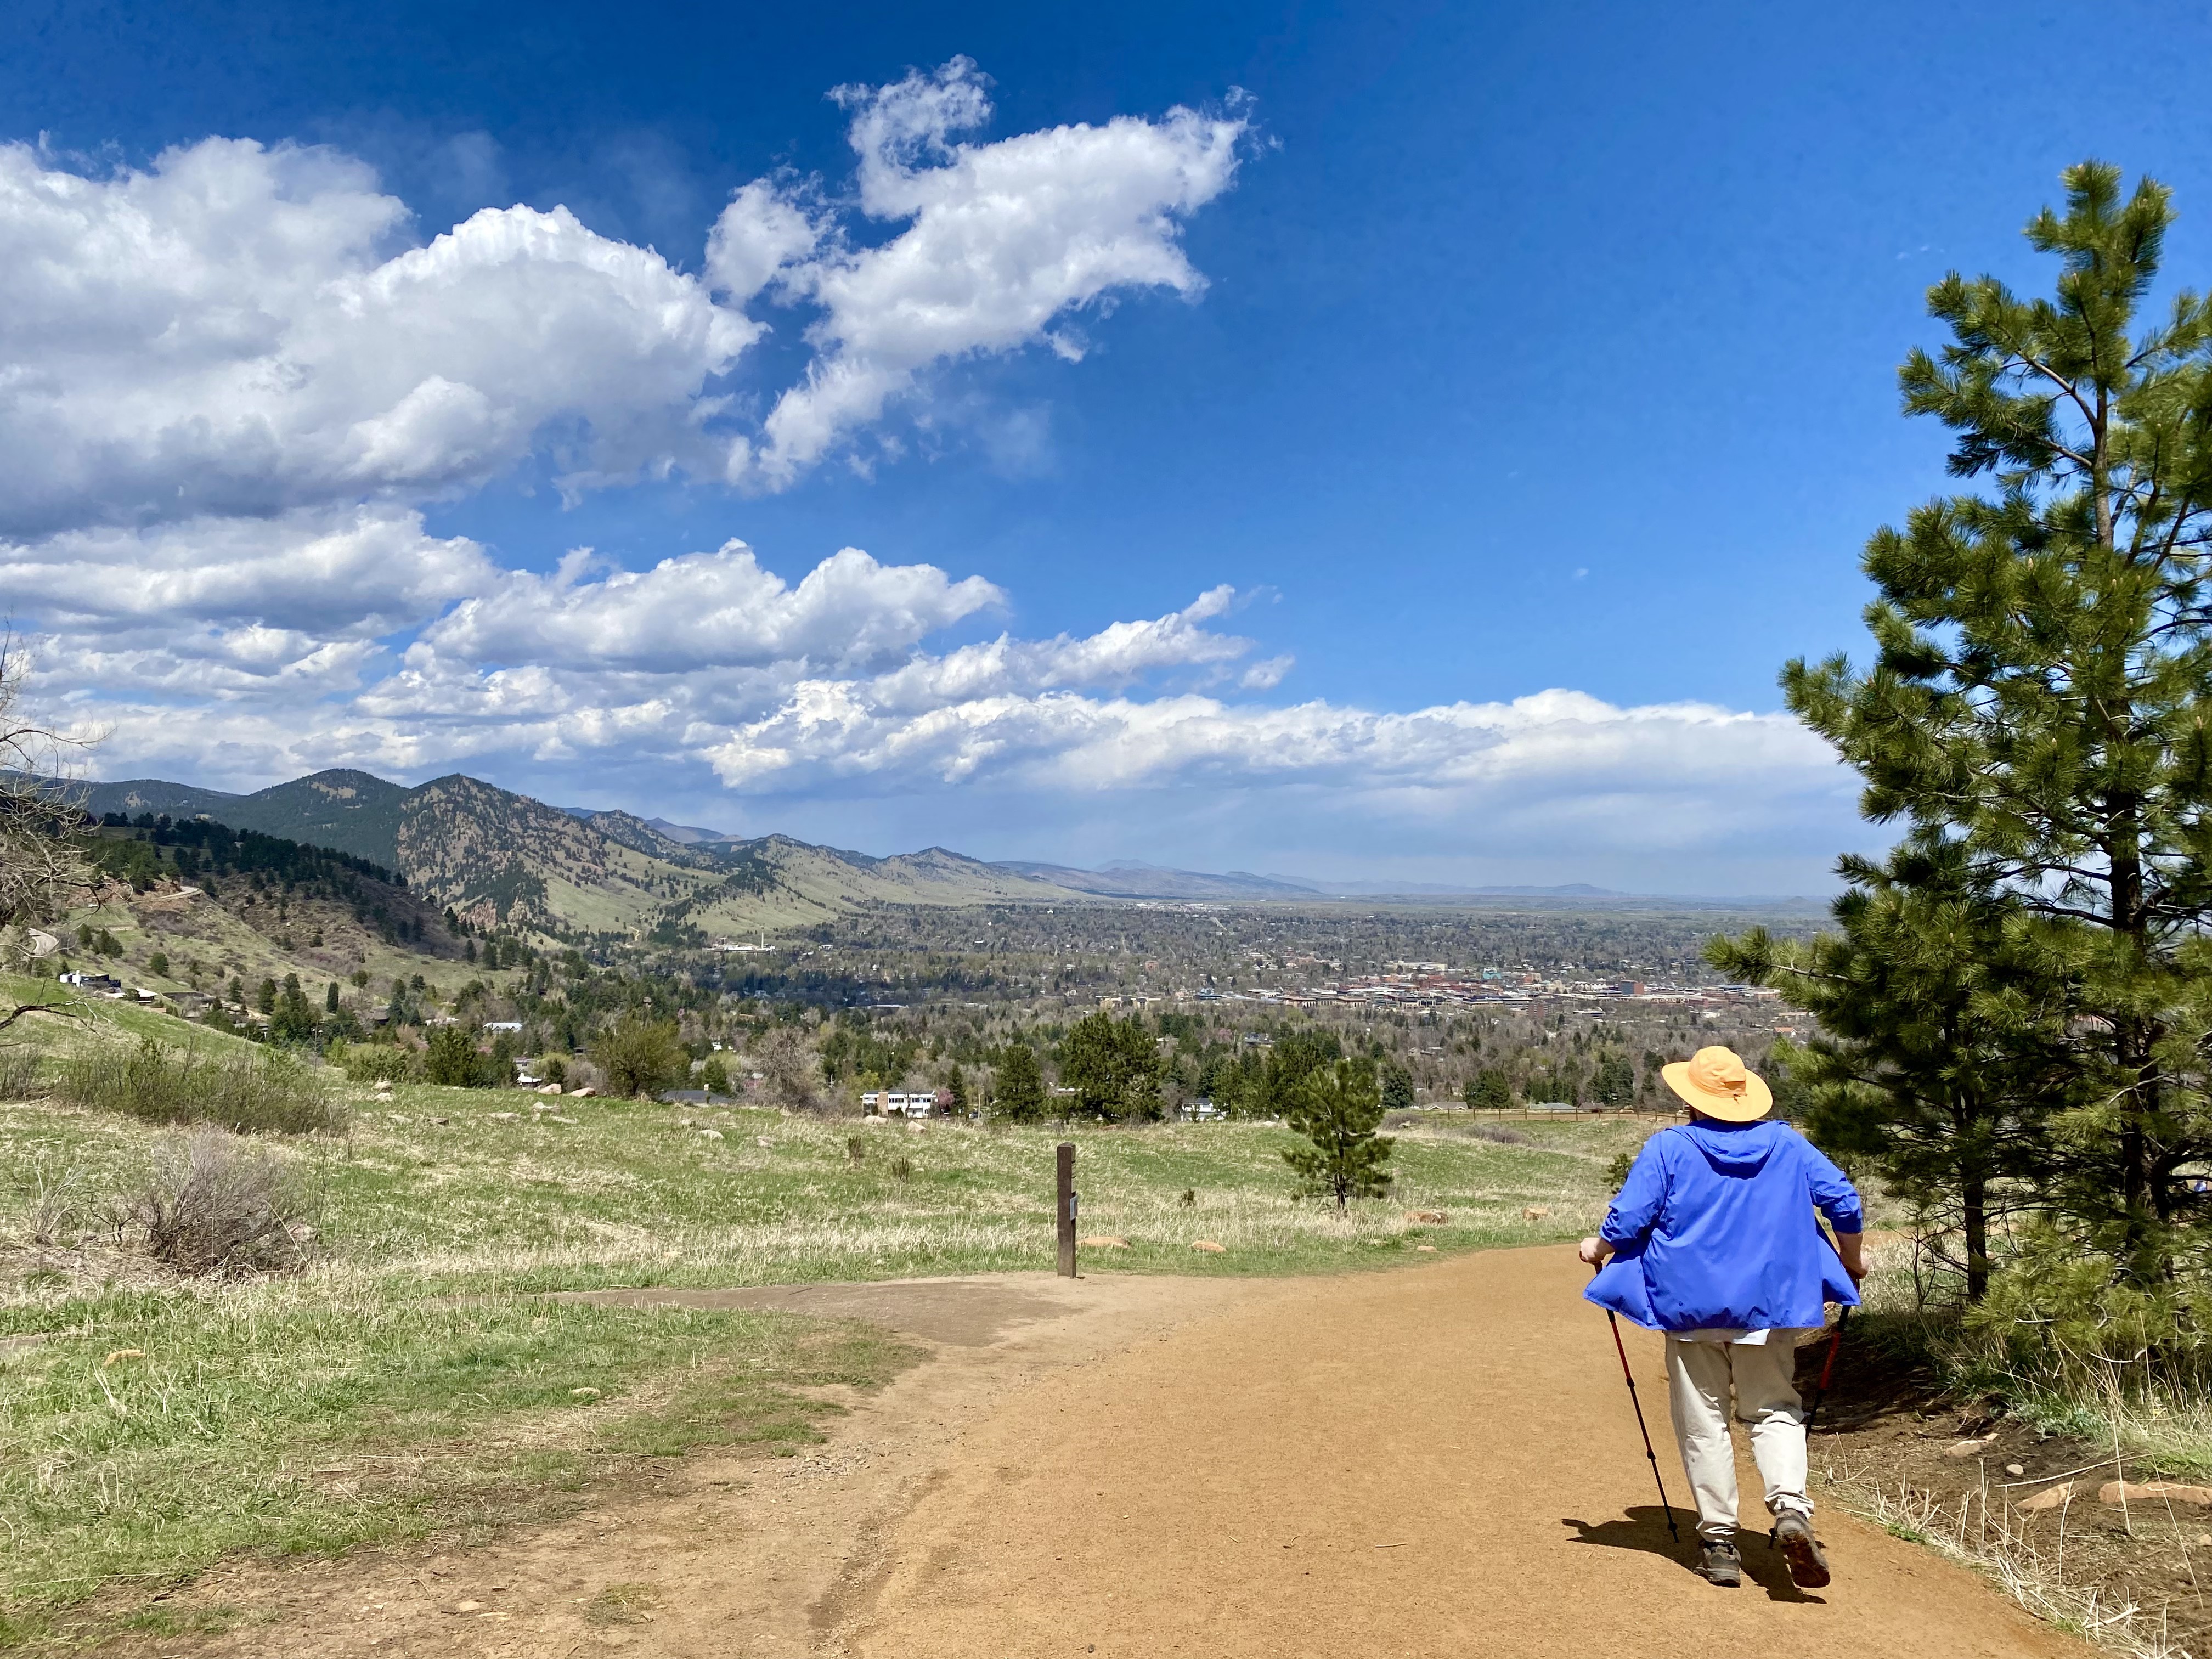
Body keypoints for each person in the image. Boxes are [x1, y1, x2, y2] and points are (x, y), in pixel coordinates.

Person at [1578, 1045, 1865, 1590]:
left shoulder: (1670, 1147)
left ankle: (1719, 1544)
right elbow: (1844, 1203)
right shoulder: (1788, 1144)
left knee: (1703, 1422)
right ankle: (1790, 1507)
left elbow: (1630, 1218)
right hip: (1772, 1306)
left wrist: (1599, 1246)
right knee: (1775, 1410)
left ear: (1691, 1100)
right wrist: (1852, 1261)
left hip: (1690, 1308)